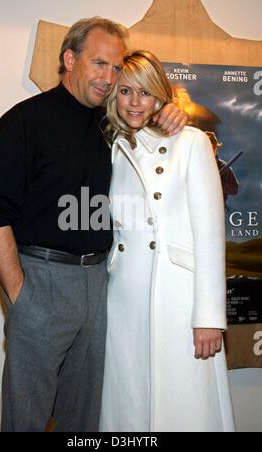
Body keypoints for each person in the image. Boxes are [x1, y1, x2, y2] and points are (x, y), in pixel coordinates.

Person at [0, 19, 186, 433]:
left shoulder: (112, 125)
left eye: (116, 68)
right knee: (26, 418)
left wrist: (169, 111)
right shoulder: (21, 123)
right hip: (41, 281)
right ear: (69, 59)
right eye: (99, 64)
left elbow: (148, 121)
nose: (109, 79)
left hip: (99, 283)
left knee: (85, 419)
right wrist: (20, 294)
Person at [99, 50, 235, 432]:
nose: (134, 102)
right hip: (124, 297)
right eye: (125, 91)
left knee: (184, 405)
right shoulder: (113, 146)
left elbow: (210, 234)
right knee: (130, 402)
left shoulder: (190, 142)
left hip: (178, 299)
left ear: (160, 94)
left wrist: (209, 317)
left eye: (144, 92)